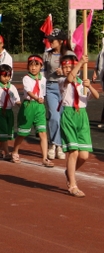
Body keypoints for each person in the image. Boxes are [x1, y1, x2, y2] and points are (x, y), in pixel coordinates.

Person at [59, 54, 98, 197]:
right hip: (69, 116)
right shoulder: (62, 81)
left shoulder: (83, 83)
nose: (68, 69)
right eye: (65, 67)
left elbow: (96, 96)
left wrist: (89, 86)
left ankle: (69, 172)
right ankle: (73, 185)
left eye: (71, 67)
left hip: (82, 117)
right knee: (73, 152)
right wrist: (80, 62)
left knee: (84, 156)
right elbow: (70, 78)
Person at [12, 55, 53, 166]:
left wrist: (41, 100)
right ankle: (15, 151)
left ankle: (44, 158)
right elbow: (29, 91)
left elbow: (43, 92)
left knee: (43, 132)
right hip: (29, 105)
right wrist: (36, 98)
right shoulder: (26, 78)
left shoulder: (43, 79)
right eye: (31, 65)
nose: (33, 68)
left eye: (36, 65)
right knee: (23, 133)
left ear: (41, 66)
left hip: (40, 107)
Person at [43, 29, 73, 160]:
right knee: (54, 116)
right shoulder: (47, 55)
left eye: (52, 40)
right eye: (49, 39)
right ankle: (54, 145)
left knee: (62, 117)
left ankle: (59, 145)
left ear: (60, 41)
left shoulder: (70, 54)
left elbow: (76, 72)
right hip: (51, 87)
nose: (50, 42)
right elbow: (43, 73)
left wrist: (65, 72)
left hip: (66, 88)